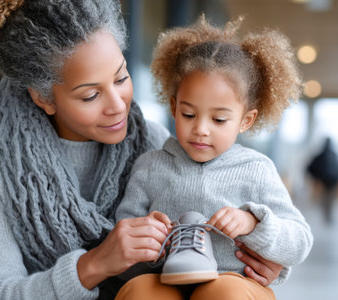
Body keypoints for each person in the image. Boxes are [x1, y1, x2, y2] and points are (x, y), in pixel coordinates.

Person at [0, 1, 282, 299]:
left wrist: (263, 263)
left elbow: (204, 233)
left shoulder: (155, 141)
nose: (117, 106)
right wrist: (94, 265)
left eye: (121, 77)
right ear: (44, 98)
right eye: (90, 96)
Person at [115, 16, 313, 300]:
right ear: (173, 106)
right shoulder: (150, 166)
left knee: (222, 292)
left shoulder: (256, 169)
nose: (201, 129)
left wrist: (253, 224)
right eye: (189, 114)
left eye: (219, 119)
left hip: (234, 282)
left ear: (246, 120)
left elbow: (300, 242)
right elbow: (125, 244)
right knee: (139, 291)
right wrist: (148, 240)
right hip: (166, 280)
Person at [307, 137, 338, 223]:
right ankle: (329, 215)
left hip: (324, 181)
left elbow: (310, 168)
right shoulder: (335, 155)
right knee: (331, 199)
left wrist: (316, 177)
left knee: (325, 199)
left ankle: (326, 216)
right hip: (334, 181)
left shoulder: (320, 155)